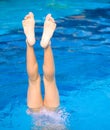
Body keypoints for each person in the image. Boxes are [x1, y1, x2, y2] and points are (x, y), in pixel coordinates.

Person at [22, 12, 59, 112]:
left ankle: (36, 43)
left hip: (52, 113)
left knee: (47, 81)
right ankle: (39, 44)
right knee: (37, 81)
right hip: (38, 115)